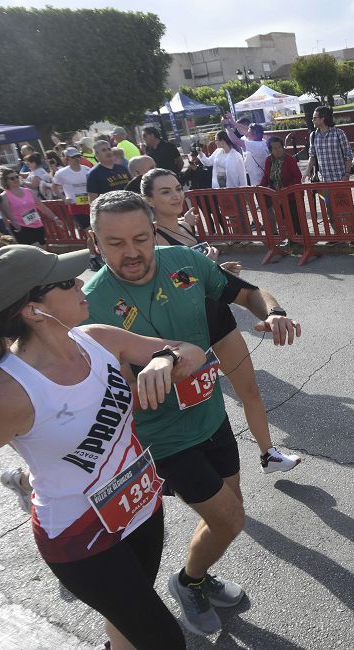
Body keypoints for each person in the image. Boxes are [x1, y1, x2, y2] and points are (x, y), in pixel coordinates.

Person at [0, 244, 206, 649]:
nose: (82, 282)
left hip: (139, 505)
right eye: (66, 282)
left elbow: (194, 353)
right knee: (166, 640)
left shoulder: (97, 338)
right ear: (34, 310)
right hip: (80, 537)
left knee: (129, 621)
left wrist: (164, 359)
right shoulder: (2, 397)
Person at [84, 191, 302, 635]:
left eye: (141, 239)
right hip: (159, 437)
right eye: (116, 243)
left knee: (229, 513)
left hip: (211, 415)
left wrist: (274, 312)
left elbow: (248, 292)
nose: (132, 253)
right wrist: (155, 367)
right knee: (230, 519)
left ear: (153, 232)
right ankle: (188, 582)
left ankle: (197, 576)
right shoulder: (90, 304)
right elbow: (103, 393)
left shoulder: (184, 261)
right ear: (94, 242)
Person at [142, 168, 303, 471]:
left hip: (217, 316)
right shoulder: (151, 237)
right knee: (198, 407)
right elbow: (166, 283)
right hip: (184, 330)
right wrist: (202, 268)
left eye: (178, 188)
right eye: (165, 191)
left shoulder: (184, 228)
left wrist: (216, 268)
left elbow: (201, 273)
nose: (176, 195)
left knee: (250, 389)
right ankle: (197, 479)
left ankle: (268, 454)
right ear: (148, 199)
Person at [0, 168, 58, 246]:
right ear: (5, 181)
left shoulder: (29, 191)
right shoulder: (4, 196)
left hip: (37, 224)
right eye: (12, 178)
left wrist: (55, 218)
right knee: (35, 249)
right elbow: (5, 215)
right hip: (21, 227)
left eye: (16, 176)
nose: (16, 179)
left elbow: (42, 207)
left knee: (43, 249)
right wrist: (10, 229)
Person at [260, 137, 304, 237]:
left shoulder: (290, 160)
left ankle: (302, 240)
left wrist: (287, 188)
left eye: (280, 147)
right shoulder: (269, 160)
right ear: (270, 150)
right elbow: (266, 177)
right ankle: (291, 241)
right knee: (285, 220)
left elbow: (298, 177)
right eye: (274, 148)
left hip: (292, 196)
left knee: (297, 220)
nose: (278, 150)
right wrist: (259, 187)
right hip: (277, 196)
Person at [305, 105, 353, 183]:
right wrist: (307, 171)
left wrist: (347, 175)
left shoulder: (339, 133)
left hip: (340, 179)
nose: (312, 120)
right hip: (323, 181)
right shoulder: (313, 135)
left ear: (322, 119)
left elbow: (348, 155)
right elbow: (312, 156)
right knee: (324, 196)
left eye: (314, 118)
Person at [52, 147, 92, 230]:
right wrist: (64, 198)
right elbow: (54, 186)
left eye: (78, 156)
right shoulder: (61, 173)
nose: (77, 159)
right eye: (73, 157)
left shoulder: (87, 169)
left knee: (94, 232)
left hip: (90, 204)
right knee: (89, 231)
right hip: (75, 206)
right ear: (67, 159)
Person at [224, 116, 269, 187]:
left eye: (249, 132)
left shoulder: (255, 145)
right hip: (257, 179)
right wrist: (233, 122)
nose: (247, 132)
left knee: (262, 198)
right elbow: (247, 130)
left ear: (254, 134)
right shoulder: (262, 141)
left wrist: (226, 126)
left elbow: (235, 140)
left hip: (259, 181)